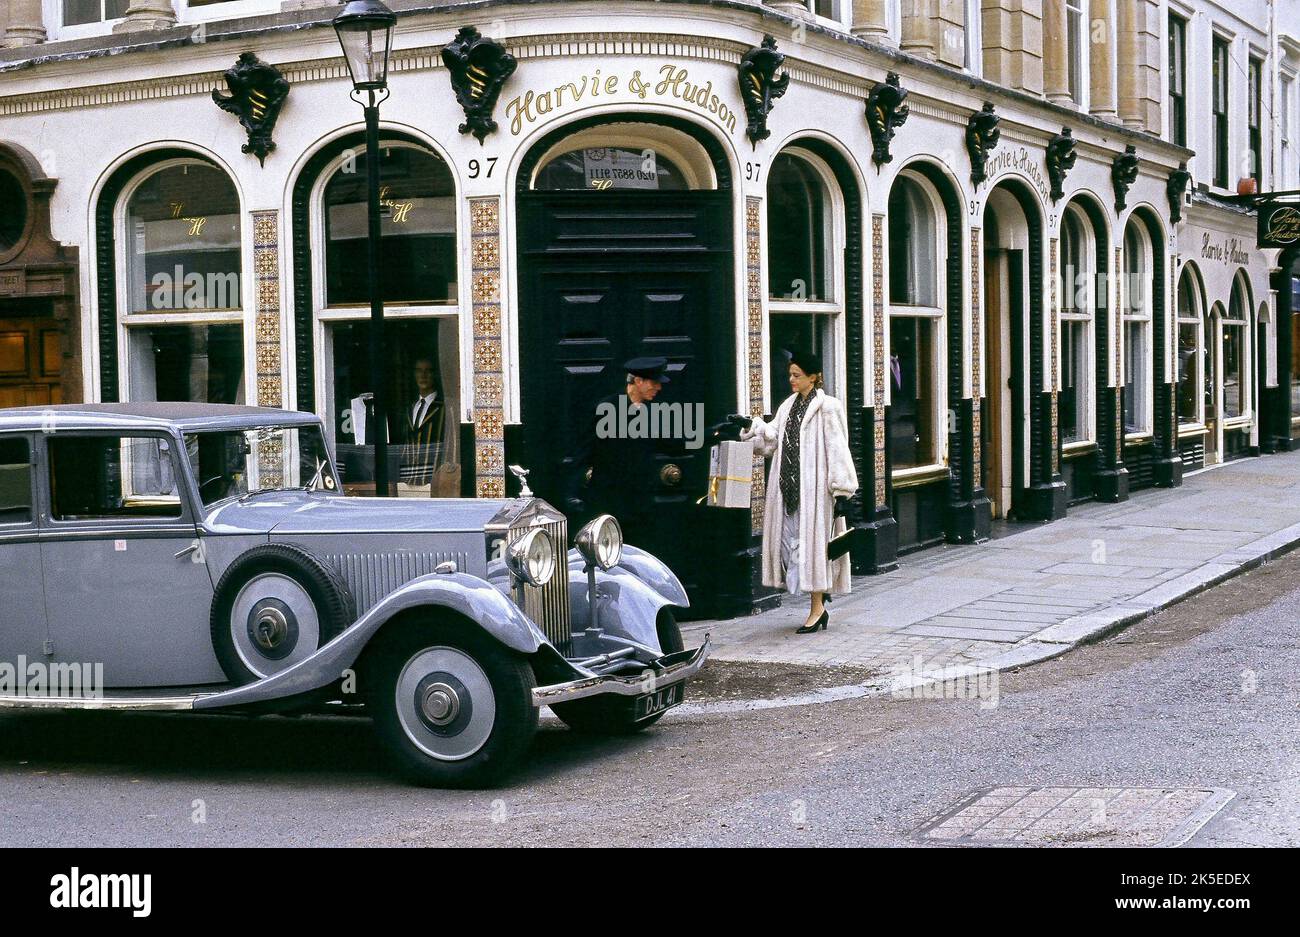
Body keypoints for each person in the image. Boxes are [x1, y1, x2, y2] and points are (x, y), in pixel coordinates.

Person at [733, 350, 858, 634]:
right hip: (787, 490)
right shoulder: (788, 405)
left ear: (813, 377)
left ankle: (817, 609)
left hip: (815, 492)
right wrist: (750, 427)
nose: (791, 379)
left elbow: (838, 449)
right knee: (791, 546)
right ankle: (818, 602)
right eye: (790, 374)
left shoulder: (829, 408)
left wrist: (841, 492)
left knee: (813, 548)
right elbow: (771, 441)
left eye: (797, 375)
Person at [565, 356, 671, 552]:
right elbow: (583, 452)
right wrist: (573, 492)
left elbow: (676, 442)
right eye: (654, 383)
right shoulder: (607, 409)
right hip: (608, 503)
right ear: (638, 381)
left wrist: (720, 432)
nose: (658, 388)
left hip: (640, 506)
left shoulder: (652, 413)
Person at [393, 356, 459, 495]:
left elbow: (451, 445)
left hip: (434, 482)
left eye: (428, 371)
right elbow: (405, 446)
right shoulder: (410, 409)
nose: (423, 375)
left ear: (435, 374)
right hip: (407, 482)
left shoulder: (445, 408)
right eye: (418, 371)